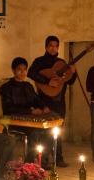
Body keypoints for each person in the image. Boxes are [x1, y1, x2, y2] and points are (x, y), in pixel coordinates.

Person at [27, 35, 76, 167]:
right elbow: (30, 73)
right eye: (51, 45)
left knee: (58, 130)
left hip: (59, 101)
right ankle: (44, 159)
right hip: (44, 100)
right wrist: (48, 81)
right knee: (45, 132)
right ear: (46, 47)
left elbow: (70, 81)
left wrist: (74, 72)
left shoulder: (62, 62)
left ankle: (58, 158)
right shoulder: (39, 61)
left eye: (56, 46)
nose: (54, 48)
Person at [0, 57, 51, 163]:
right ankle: (29, 163)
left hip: (28, 121)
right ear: (13, 70)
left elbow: (36, 99)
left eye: (24, 70)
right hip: (13, 121)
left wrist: (44, 107)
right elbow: (8, 108)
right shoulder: (6, 88)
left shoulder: (28, 86)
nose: (22, 72)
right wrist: (30, 111)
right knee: (35, 132)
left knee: (49, 130)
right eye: (19, 69)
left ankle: (43, 160)